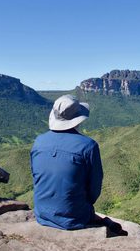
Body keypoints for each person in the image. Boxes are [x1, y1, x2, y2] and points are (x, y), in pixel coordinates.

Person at [30, 95, 127, 235]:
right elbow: (94, 189)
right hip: (74, 218)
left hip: (42, 214)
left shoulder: (39, 141)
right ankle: (105, 223)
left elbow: (36, 177)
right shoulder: (89, 146)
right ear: (77, 118)